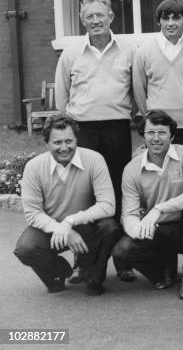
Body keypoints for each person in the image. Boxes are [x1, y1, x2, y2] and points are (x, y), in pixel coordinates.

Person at [54, 0, 136, 283]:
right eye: (90, 16)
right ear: (82, 20)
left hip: (117, 128)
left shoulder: (128, 50)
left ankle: (123, 260)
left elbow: (136, 90)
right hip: (84, 131)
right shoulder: (71, 54)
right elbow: (62, 97)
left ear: (111, 16)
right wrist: (68, 130)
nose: (96, 21)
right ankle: (83, 262)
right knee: (85, 196)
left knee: (117, 192)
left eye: (101, 15)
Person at [13, 115, 120, 296]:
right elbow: (32, 213)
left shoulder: (94, 160)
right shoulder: (34, 167)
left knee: (109, 227)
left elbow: (108, 205)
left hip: (86, 225)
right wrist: (61, 229)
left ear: (77, 139)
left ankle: (93, 274)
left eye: (69, 141)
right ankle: (60, 271)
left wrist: (70, 221)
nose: (64, 148)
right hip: (51, 228)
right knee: (26, 248)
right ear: (46, 143)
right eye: (57, 142)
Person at [112, 111, 183, 300]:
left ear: (171, 136)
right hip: (156, 229)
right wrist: (137, 230)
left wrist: (159, 208)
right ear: (143, 135)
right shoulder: (132, 168)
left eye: (162, 133)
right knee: (122, 250)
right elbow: (128, 214)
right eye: (151, 133)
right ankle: (162, 272)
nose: (156, 138)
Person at [132, 0, 183, 166]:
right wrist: (150, 120)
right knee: (161, 177)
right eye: (165, 18)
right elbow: (139, 90)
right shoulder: (144, 52)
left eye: (176, 18)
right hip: (159, 130)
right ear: (159, 21)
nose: (170, 23)